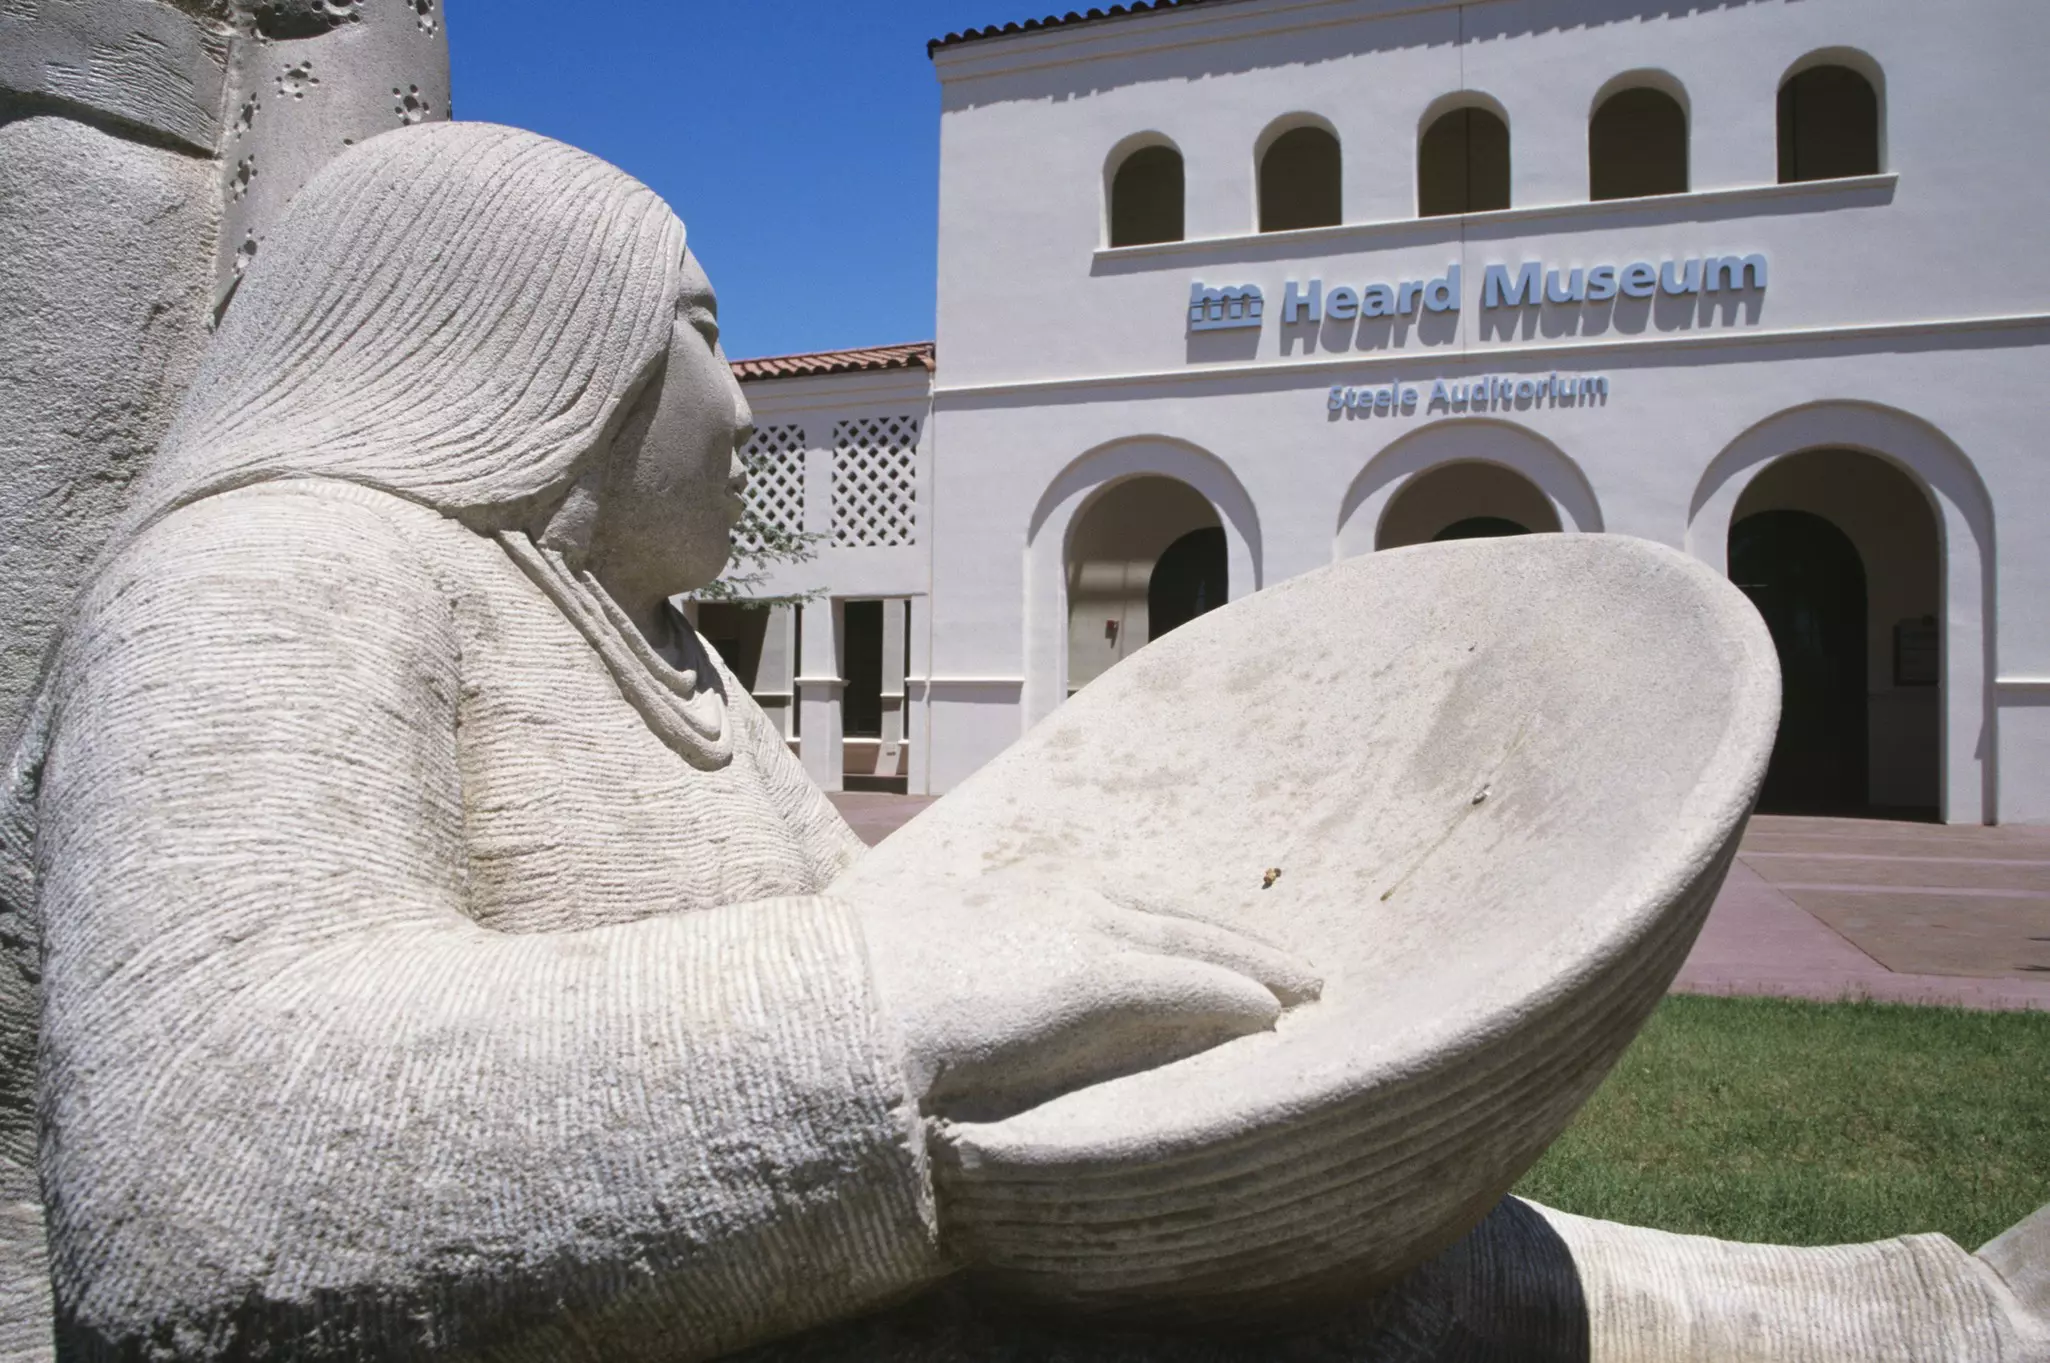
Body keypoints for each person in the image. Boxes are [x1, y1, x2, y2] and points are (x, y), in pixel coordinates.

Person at [0, 122, 1312, 1360]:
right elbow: (204, 1164)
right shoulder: (269, 567)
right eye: (701, 336)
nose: (742, 410)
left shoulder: (661, 643)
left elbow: (890, 912)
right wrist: (878, 1002)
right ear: (544, 343)